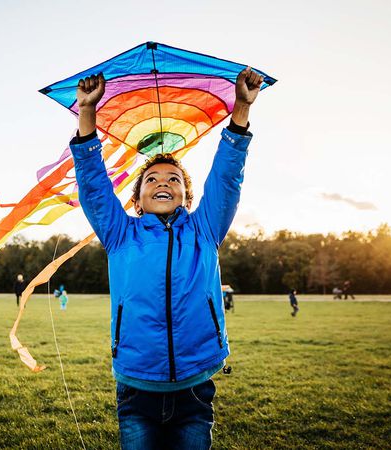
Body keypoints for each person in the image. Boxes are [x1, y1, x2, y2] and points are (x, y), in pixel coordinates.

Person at [70, 67, 263, 449]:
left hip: (195, 387)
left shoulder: (205, 229)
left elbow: (227, 177)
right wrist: (87, 113)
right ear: (136, 198)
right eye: (152, 179)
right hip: (136, 387)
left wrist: (241, 107)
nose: (163, 183)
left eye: (174, 178)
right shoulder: (120, 234)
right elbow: (93, 183)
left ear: (187, 198)